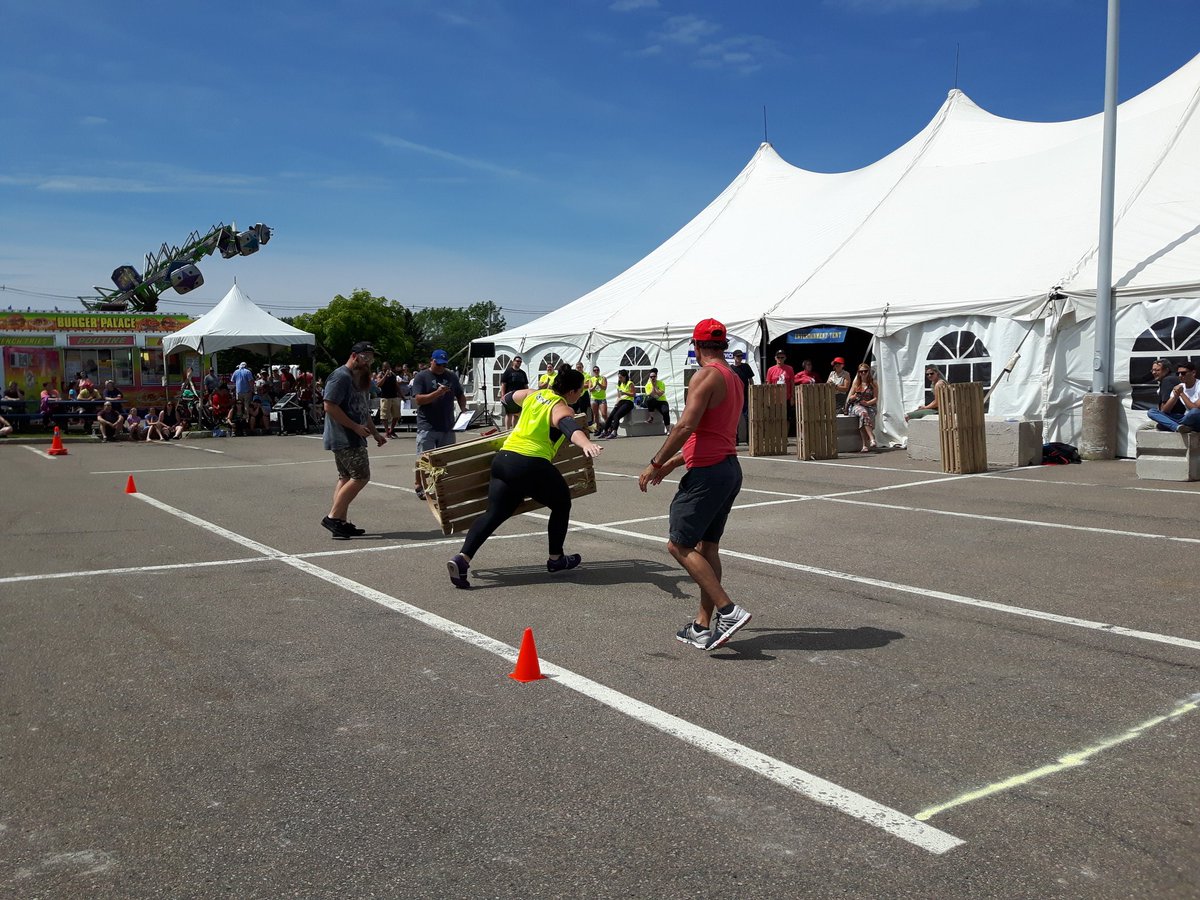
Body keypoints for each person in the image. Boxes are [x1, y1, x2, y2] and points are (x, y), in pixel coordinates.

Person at [638, 318, 751, 652]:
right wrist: (673, 464)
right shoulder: (734, 378)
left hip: (709, 474)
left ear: (696, 345)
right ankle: (703, 624)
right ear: (723, 345)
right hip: (728, 468)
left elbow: (687, 426)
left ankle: (728, 611)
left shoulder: (705, 376)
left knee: (678, 545)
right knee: (707, 547)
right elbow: (711, 432)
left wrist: (656, 461)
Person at [446, 364, 602, 589]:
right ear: (571, 393)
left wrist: (523, 410)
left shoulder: (534, 394)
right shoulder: (562, 407)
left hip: (504, 459)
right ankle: (556, 559)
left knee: (496, 512)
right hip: (530, 462)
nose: (580, 395)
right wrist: (586, 444)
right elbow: (567, 425)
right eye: (580, 391)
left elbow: (507, 399)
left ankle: (462, 559)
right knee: (561, 503)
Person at [322, 341, 387, 539]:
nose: (368, 361)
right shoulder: (340, 376)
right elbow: (329, 406)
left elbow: (363, 410)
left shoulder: (360, 378)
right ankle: (333, 517)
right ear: (354, 356)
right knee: (361, 477)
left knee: (345, 478)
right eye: (364, 356)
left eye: (371, 357)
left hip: (353, 436)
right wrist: (355, 427)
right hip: (344, 436)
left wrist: (375, 433)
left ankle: (340, 522)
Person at [411, 349, 468, 499]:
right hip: (427, 425)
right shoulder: (422, 377)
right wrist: (437, 393)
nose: (441, 368)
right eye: (438, 364)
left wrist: (463, 408)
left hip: (447, 425)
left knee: (444, 459)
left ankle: (440, 485)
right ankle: (419, 484)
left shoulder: (451, 376)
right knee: (423, 459)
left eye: (443, 365)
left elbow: (460, 395)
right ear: (432, 361)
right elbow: (418, 400)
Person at [1154, 360, 1200, 433]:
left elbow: (1194, 409)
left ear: (1193, 373)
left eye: (1183, 373)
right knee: (1152, 412)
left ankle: (1173, 425)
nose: (1180, 376)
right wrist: (1175, 396)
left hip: (1197, 418)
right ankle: (1178, 427)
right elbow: (1165, 410)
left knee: (1194, 412)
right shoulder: (1179, 386)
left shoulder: (1198, 386)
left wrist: (1181, 393)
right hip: (1185, 418)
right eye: (1178, 373)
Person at [848, 363, 879, 452]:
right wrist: (854, 396)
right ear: (858, 373)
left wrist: (867, 403)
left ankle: (865, 445)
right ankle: (872, 438)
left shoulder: (873, 383)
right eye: (861, 372)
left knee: (863, 417)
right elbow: (850, 396)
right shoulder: (857, 383)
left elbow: (876, 398)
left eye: (865, 371)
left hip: (869, 406)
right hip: (857, 405)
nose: (863, 373)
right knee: (863, 413)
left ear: (869, 372)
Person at [1146, 358, 1184, 431]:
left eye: (1157, 370)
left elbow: (1164, 409)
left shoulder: (1167, 380)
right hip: (1179, 416)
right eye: (1152, 370)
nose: (1153, 372)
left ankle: (1176, 427)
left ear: (1166, 370)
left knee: (1143, 426)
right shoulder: (1174, 378)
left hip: (1173, 417)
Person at [596, 370, 635, 439]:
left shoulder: (630, 383)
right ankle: (605, 431)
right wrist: (616, 403)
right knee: (611, 416)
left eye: (621, 377)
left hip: (628, 402)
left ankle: (614, 432)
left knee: (617, 416)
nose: (619, 379)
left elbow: (633, 394)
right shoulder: (619, 384)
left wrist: (625, 393)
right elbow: (619, 396)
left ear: (625, 377)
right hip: (621, 401)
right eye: (619, 377)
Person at [766, 351, 796, 434]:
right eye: (778, 357)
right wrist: (769, 398)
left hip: (786, 397)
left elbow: (792, 383)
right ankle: (777, 436)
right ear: (775, 358)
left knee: (786, 418)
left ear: (785, 358)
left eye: (782, 357)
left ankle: (785, 436)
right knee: (775, 418)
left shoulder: (789, 369)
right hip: (775, 398)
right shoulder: (771, 369)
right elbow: (768, 384)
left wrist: (792, 397)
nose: (780, 359)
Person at [729, 349, 755, 442]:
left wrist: (752, 390)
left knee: (747, 417)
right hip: (735, 395)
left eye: (741, 356)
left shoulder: (746, 366)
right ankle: (735, 439)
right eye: (738, 356)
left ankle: (749, 439)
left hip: (746, 395)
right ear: (734, 357)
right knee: (734, 418)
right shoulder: (731, 368)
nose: (739, 358)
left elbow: (751, 380)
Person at [498, 356, 529, 429]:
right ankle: (507, 430)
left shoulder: (523, 373)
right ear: (513, 361)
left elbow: (525, 385)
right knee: (509, 413)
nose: (519, 363)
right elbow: (503, 384)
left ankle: (514, 429)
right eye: (517, 361)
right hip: (510, 396)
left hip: (520, 397)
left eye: (520, 362)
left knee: (517, 414)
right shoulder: (508, 371)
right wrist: (502, 395)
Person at [377, 361, 400, 438]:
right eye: (385, 367)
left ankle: (391, 430)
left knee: (397, 415)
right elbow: (379, 384)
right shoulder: (380, 374)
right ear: (383, 368)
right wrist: (385, 376)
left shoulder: (393, 374)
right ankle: (387, 432)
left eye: (388, 366)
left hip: (394, 396)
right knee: (384, 416)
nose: (387, 368)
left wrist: (401, 395)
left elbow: (397, 385)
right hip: (385, 397)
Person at [588, 365, 608, 430]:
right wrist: (595, 385)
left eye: (597, 370)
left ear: (599, 371)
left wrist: (599, 384)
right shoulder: (591, 379)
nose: (596, 371)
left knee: (604, 414)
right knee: (595, 415)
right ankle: (598, 429)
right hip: (594, 398)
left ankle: (609, 427)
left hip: (602, 398)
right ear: (593, 372)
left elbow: (604, 388)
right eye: (595, 370)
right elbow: (590, 389)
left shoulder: (603, 378)